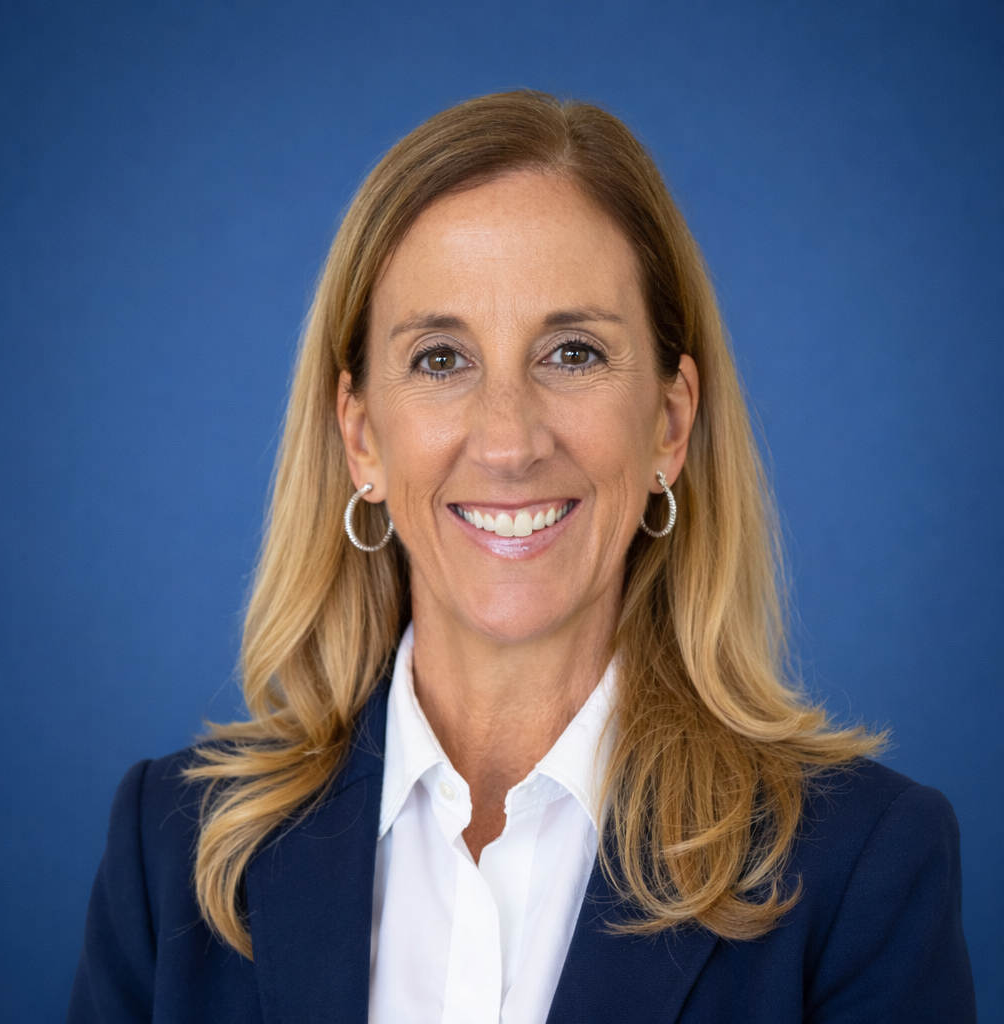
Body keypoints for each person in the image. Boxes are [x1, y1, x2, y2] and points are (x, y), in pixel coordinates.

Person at [68, 91, 976, 1023]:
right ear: (361, 438)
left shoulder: (864, 864)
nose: (508, 443)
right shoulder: (176, 853)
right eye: (440, 359)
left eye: (574, 353)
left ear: (670, 423)